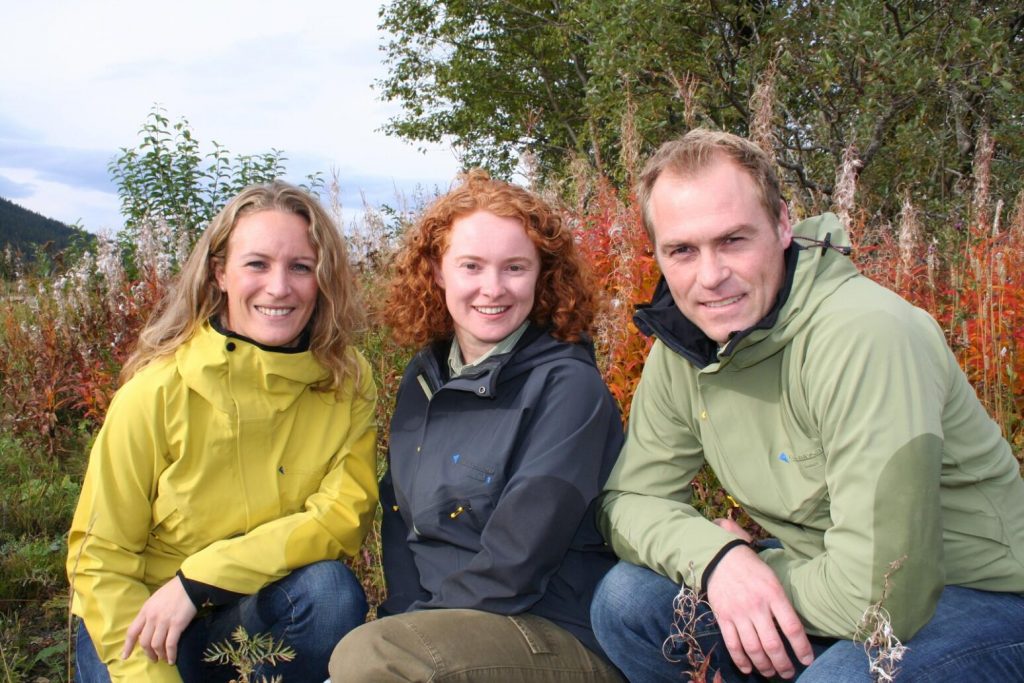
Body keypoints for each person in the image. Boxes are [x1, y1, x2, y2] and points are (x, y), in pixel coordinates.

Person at [591, 128, 1024, 681]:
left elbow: (883, 599)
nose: (711, 277)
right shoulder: (684, 348)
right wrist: (719, 561)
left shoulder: (865, 336)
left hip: (975, 597)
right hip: (823, 576)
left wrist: (753, 569)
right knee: (628, 601)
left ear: (782, 225)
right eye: (682, 250)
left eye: (733, 240)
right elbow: (629, 501)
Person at [67, 181, 378, 683]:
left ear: (323, 278)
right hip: (146, 622)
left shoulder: (347, 380)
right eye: (257, 264)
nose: (279, 287)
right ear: (220, 273)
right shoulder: (156, 391)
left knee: (330, 592)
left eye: (301, 267)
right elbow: (100, 559)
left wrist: (200, 580)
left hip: (248, 610)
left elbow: (343, 516)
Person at [329, 170, 625, 681]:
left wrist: (405, 637)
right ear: (437, 272)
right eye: (471, 266)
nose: (493, 288)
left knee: (368, 657)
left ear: (543, 275)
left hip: (550, 630)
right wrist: (403, 621)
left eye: (515, 267)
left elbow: (517, 563)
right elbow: (402, 521)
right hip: (442, 627)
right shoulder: (424, 379)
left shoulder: (568, 388)